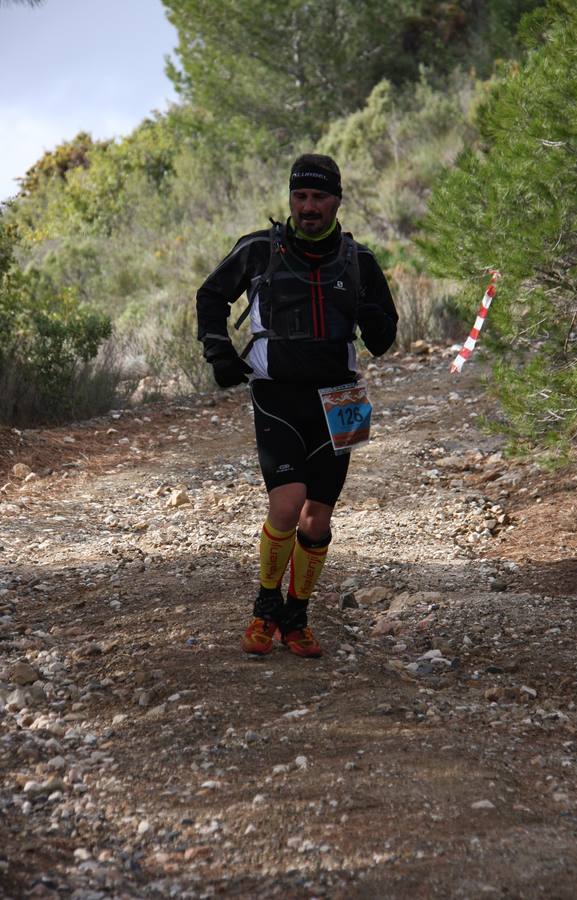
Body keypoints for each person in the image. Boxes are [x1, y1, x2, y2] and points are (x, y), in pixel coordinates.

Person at [196, 153, 398, 658]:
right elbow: (210, 295)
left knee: (318, 520)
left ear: (336, 200)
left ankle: (297, 619)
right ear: (290, 198)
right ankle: (266, 609)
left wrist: (374, 316)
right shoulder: (261, 248)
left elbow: (384, 339)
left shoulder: (360, 260)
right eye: (300, 196)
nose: (308, 207)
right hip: (277, 393)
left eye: (319, 197)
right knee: (286, 506)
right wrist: (219, 351)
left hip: (343, 397)